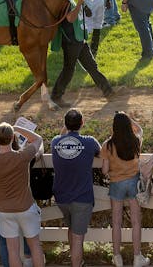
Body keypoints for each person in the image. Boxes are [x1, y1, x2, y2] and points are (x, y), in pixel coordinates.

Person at [0, 123, 45, 267]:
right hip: (26, 207)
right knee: (35, 246)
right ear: (12, 138)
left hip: (5, 211)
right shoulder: (22, 156)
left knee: (12, 250)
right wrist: (18, 128)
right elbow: (38, 139)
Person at [51, 109, 101, 267]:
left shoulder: (55, 142)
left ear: (65, 124)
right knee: (78, 238)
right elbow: (101, 153)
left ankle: (76, 260)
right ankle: (76, 263)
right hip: (82, 197)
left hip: (62, 197)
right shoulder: (90, 142)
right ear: (82, 123)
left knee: (71, 230)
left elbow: (61, 137)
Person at [100, 112, 150, 267]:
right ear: (129, 126)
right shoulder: (135, 140)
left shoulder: (107, 145)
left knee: (116, 222)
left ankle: (117, 257)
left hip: (116, 184)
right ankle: (137, 257)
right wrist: (130, 119)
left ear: (113, 127)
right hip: (134, 183)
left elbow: (104, 170)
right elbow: (140, 130)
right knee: (136, 221)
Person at [50, 0, 115, 108]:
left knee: (91, 66)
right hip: (71, 41)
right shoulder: (62, 1)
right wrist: (79, 3)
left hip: (79, 39)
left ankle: (108, 91)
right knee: (69, 69)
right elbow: (70, 18)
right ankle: (56, 96)